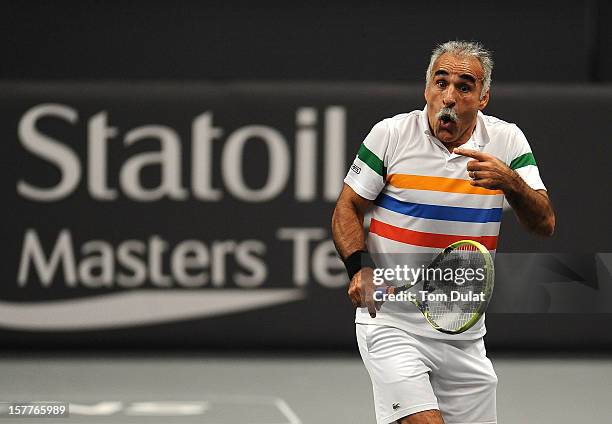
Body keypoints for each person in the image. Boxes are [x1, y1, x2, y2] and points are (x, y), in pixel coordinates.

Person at [331, 41, 555, 424]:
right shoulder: (391, 134)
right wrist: (359, 267)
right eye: (441, 82)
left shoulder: (507, 141)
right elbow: (347, 207)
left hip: (464, 333)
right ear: (426, 90)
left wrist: (512, 183)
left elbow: (544, 224)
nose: (449, 97)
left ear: (483, 97)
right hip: (391, 321)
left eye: (465, 87)